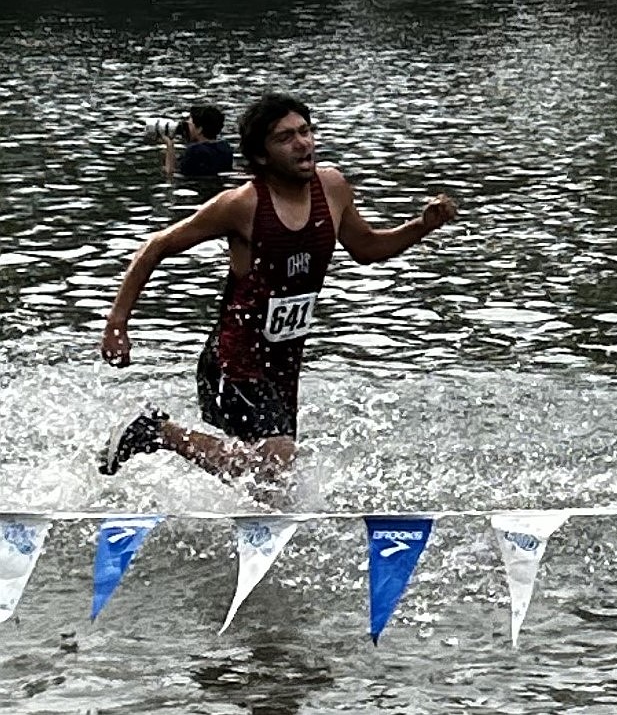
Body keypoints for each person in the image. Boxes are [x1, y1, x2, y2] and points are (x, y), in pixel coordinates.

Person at [99, 92, 457, 482]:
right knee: (274, 469)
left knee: (269, 486)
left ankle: (166, 446)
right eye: (286, 138)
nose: (302, 143)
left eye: (305, 131)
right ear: (262, 156)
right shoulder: (241, 204)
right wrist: (118, 321)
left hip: (284, 361)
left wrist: (422, 226)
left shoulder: (333, 187)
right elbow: (156, 246)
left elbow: (368, 248)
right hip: (234, 358)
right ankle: (157, 432)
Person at [163, 104, 234, 177]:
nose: (186, 127)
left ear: (199, 129)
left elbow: (170, 174)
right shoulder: (225, 147)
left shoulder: (194, 151)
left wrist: (169, 145)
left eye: (190, 124)